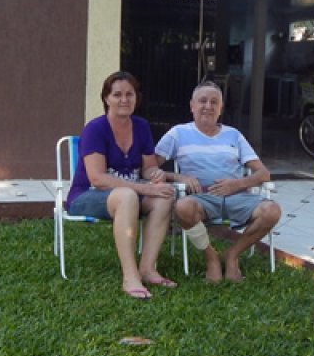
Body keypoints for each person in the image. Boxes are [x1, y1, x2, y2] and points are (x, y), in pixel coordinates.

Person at [150, 80, 282, 282]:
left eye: (214, 102)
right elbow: (150, 167)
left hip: (237, 196)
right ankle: (211, 258)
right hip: (201, 198)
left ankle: (232, 255)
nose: (208, 106)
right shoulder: (178, 133)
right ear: (192, 106)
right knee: (183, 207)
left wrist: (237, 184)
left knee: (272, 211)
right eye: (202, 101)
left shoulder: (234, 135)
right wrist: (178, 177)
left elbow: (263, 173)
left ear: (220, 108)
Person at [66, 71, 176, 299]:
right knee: (127, 195)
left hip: (128, 195)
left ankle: (147, 268)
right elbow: (97, 178)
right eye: (118, 94)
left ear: (136, 98)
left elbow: (147, 167)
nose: (124, 99)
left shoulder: (142, 126)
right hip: (88, 196)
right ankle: (130, 277)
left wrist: (155, 175)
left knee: (164, 196)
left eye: (130, 94)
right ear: (107, 98)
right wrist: (145, 188)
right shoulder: (95, 129)